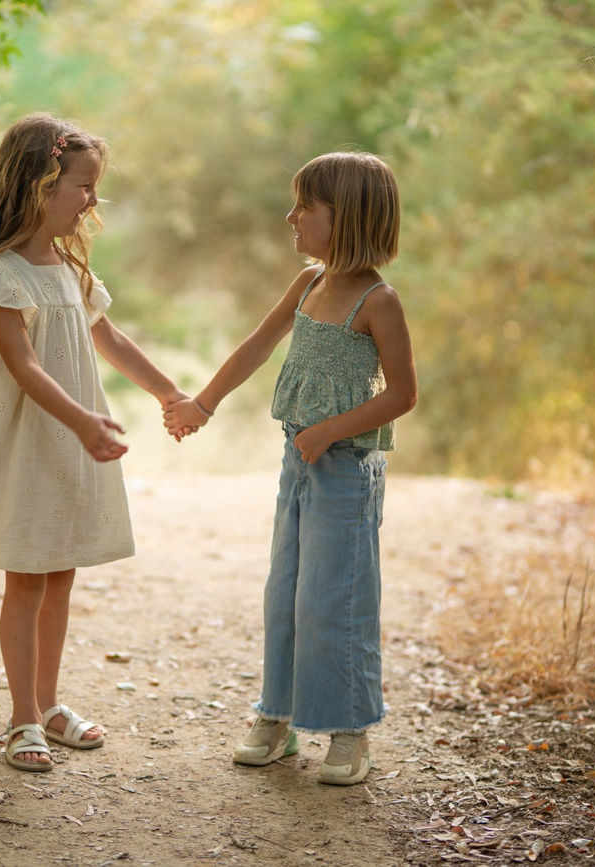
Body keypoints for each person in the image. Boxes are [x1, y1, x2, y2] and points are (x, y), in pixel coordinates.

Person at [0, 114, 189, 772]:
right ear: (39, 185)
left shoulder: (69, 270)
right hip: (32, 443)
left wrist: (169, 394)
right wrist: (83, 422)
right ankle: (21, 718)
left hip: (70, 439)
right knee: (27, 577)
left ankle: (47, 703)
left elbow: (113, 340)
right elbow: (24, 367)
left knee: (61, 572)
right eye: (83, 187)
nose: (91, 201)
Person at [164, 151, 417, 785]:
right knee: (287, 593)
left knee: (337, 600)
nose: (292, 216)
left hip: (345, 469)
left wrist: (328, 432)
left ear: (349, 218)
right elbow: (258, 342)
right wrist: (203, 402)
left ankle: (350, 731)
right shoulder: (306, 284)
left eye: (306, 207)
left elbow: (402, 395)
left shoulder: (377, 302)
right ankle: (276, 717)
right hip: (297, 461)